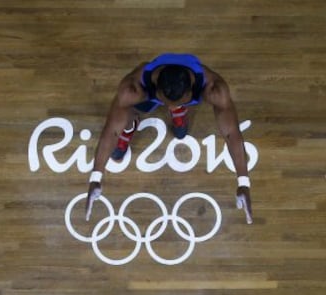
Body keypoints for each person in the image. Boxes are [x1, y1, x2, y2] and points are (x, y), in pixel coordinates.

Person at [86, 53, 252, 224]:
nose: (169, 105)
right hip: (150, 96)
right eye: (167, 103)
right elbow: (111, 130)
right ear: (157, 89)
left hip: (174, 94)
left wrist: (243, 181)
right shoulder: (134, 87)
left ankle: (179, 110)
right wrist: (96, 176)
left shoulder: (214, 88)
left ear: (192, 88)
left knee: (179, 124)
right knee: (127, 109)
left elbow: (232, 133)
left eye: (177, 102)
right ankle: (130, 126)